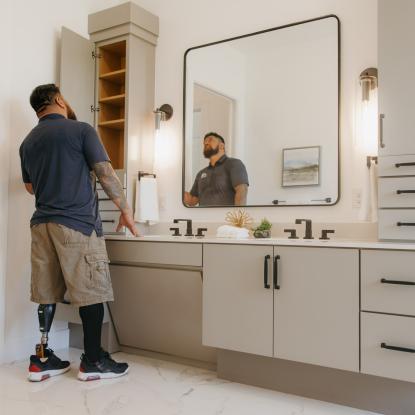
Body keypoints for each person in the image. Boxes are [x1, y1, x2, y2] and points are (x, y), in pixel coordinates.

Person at [19, 83, 139, 382]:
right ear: (58, 99)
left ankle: (43, 359)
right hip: (77, 223)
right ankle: (94, 361)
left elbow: (30, 187)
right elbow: (105, 172)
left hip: (41, 225)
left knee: (46, 291)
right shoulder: (80, 129)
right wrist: (126, 210)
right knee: (91, 292)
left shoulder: (28, 142)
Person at [184, 132, 249, 206]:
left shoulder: (234, 164)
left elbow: (242, 190)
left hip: (225, 217)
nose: (206, 143)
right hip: (202, 217)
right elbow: (192, 200)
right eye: (204, 142)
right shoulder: (201, 173)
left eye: (210, 140)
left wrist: (237, 215)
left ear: (222, 146)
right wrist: (174, 186)